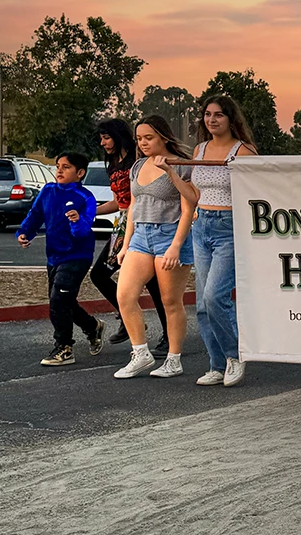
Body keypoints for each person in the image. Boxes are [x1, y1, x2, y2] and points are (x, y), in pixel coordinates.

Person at [113, 115, 200, 380]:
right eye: (139, 138)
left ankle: (174, 359)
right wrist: (125, 244)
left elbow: (189, 208)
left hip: (170, 235)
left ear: (164, 136)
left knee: (170, 301)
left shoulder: (182, 165)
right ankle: (140, 353)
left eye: (149, 137)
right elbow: (133, 207)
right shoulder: (138, 166)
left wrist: (176, 246)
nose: (143, 143)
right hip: (141, 235)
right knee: (124, 295)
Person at [190, 96, 258, 387]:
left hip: (229, 227)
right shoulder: (200, 149)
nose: (212, 120)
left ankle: (234, 355)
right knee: (202, 305)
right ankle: (216, 364)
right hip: (200, 224)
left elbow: (255, 194)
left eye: (218, 115)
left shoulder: (243, 152)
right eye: (207, 114)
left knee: (215, 297)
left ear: (231, 119)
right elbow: (194, 192)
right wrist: (170, 172)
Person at [17, 152, 104, 366]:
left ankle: (64, 347)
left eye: (66, 167)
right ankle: (92, 326)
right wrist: (25, 233)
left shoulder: (85, 197)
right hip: (54, 256)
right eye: (58, 166)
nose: (59, 170)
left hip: (78, 255)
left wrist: (76, 221)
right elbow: (35, 214)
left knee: (58, 300)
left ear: (80, 173)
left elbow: (84, 230)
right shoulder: (48, 191)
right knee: (63, 301)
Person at [91, 119, 170, 352]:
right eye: (101, 138)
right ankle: (128, 318)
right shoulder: (113, 162)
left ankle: (168, 336)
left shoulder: (137, 160)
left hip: (144, 221)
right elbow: (119, 202)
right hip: (123, 223)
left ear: (117, 135)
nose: (103, 143)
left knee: (155, 283)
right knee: (99, 274)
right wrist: (91, 211)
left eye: (106, 137)